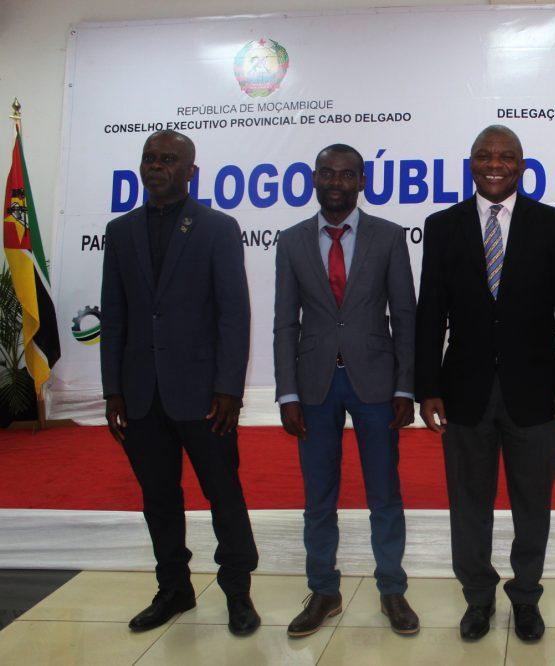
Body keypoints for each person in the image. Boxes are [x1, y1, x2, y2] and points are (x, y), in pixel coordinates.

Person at [415, 125, 555, 643]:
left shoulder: (554, 224)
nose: (495, 164)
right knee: (468, 506)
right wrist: (428, 387)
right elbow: (430, 314)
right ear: (471, 163)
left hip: (536, 392)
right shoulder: (442, 226)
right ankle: (478, 597)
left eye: (506, 156)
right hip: (463, 392)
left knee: (532, 505)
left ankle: (526, 597)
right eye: (485, 155)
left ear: (522, 165)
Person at [100, 130, 260, 635]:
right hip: (141, 394)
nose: (156, 166)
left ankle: (238, 592)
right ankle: (173, 589)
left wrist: (229, 389)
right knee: (159, 498)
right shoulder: (120, 231)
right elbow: (115, 315)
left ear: (191, 171)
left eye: (167, 159)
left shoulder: (217, 228)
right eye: (149, 158)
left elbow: (234, 313)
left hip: (204, 394)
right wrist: (113, 390)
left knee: (224, 496)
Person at [273, 144, 419, 638]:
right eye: (328, 173)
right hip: (314, 384)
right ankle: (323, 590)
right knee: (319, 495)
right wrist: (287, 394)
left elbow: (405, 315)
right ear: (314, 178)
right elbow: (284, 322)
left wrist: (405, 386)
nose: (336, 181)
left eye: (347, 174)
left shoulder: (388, 236)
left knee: (384, 493)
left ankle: (392, 589)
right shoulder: (291, 241)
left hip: (376, 382)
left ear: (362, 182)